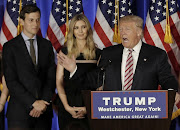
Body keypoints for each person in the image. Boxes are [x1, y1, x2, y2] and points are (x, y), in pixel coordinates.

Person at [59, 15, 180, 104]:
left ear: (139, 32)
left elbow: (167, 79)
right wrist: (74, 69)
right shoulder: (109, 53)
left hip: (144, 116)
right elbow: (95, 79)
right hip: (114, 116)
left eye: (127, 29)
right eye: (121, 29)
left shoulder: (157, 55)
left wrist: (171, 91)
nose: (122, 33)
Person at [2, 4, 56, 130]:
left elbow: (51, 78)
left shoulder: (47, 45)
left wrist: (42, 102)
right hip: (19, 113)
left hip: (43, 112)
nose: (35, 24)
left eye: (37, 20)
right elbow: (11, 80)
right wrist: (33, 103)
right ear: (21, 21)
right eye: (31, 20)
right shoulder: (10, 47)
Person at [56, 14, 101, 130]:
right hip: (68, 105)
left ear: (88, 29)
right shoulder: (65, 52)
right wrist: (67, 107)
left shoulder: (98, 53)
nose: (80, 31)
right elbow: (59, 81)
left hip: (90, 106)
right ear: (72, 31)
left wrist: (89, 108)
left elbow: (100, 84)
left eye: (83, 27)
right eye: (76, 28)